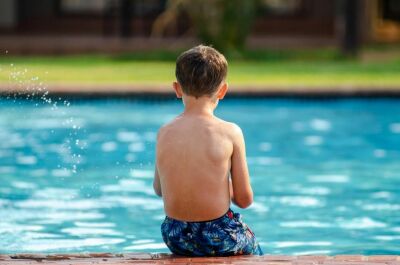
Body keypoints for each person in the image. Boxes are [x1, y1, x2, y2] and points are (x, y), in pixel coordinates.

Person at [153, 45, 263, 256]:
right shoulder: (230, 132)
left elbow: (159, 190)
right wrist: (220, 187)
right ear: (222, 90)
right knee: (254, 248)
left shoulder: (164, 132)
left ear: (177, 88)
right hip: (218, 236)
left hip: (175, 235)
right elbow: (244, 199)